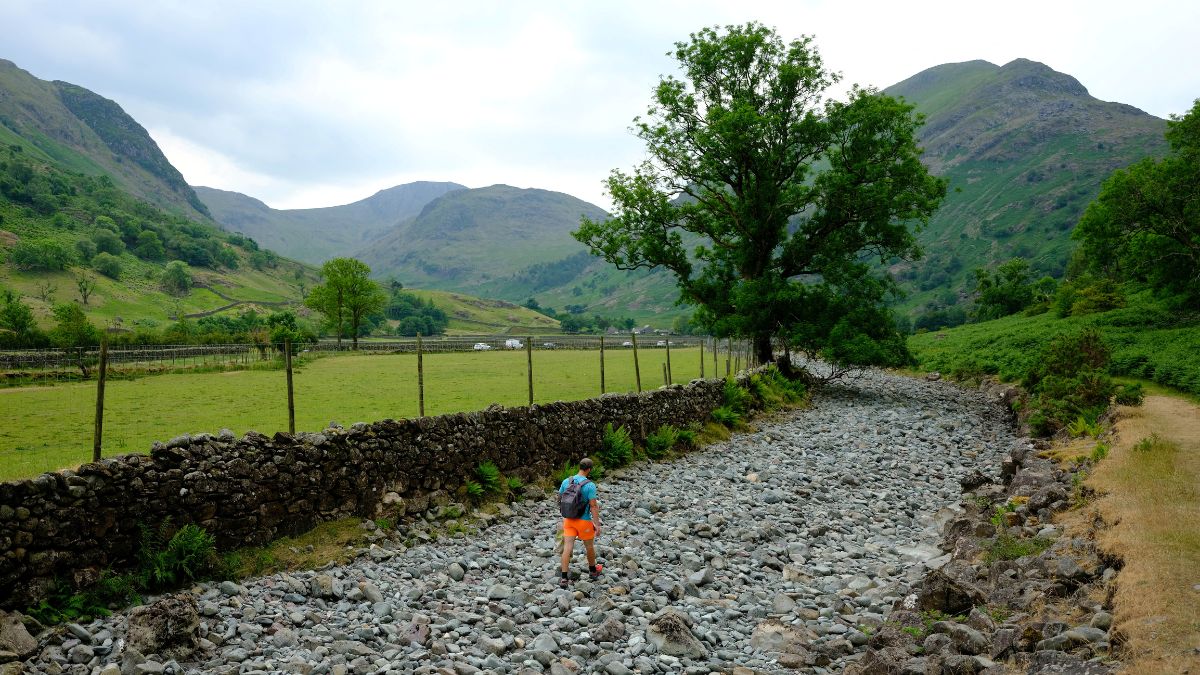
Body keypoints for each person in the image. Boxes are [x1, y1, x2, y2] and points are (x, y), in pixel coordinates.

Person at [559, 457, 602, 587]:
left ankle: (564, 578)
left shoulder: (567, 481)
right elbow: (593, 506)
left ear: (579, 467)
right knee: (589, 547)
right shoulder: (590, 485)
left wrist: (565, 515)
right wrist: (597, 524)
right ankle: (593, 571)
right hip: (584, 521)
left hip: (569, 520)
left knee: (567, 547)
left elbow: (560, 498)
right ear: (589, 469)